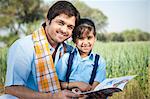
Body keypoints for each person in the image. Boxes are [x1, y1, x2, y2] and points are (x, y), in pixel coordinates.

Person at [1, 1, 81, 99]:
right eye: (60, 23)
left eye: (70, 27)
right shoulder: (24, 46)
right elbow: (11, 89)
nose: (64, 30)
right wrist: (52, 97)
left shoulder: (69, 51)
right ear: (48, 21)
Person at [56, 18, 107, 98]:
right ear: (74, 40)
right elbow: (57, 84)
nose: (85, 42)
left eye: (89, 38)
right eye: (81, 38)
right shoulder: (66, 58)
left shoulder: (99, 61)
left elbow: (95, 87)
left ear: (95, 38)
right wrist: (76, 84)